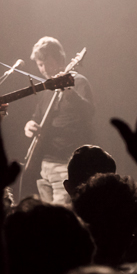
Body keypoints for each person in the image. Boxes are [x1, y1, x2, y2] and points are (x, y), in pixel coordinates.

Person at [22, 37, 94, 204]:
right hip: (44, 164)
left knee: (59, 221)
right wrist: (29, 126)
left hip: (65, 164)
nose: (43, 69)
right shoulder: (46, 89)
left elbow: (89, 112)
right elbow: (36, 118)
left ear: (59, 58)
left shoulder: (79, 81)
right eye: (39, 65)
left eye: (46, 62)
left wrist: (70, 94)